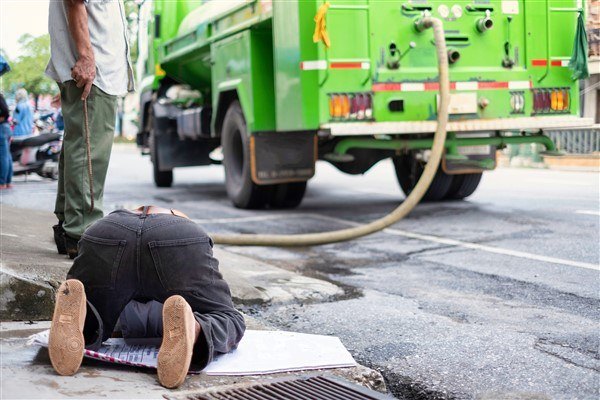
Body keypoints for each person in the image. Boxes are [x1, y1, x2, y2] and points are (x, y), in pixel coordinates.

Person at [48, 206, 245, 388]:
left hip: (105, 233)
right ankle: (195, 328)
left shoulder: (120, 216)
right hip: (177, 236)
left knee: (95, 310)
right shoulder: (179, 221)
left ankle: (81, 319)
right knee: (227, 317)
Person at [46, 0, 134, 258]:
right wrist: (85, 57)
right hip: (95, 73)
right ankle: (83, 233)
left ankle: (69, 227)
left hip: (94, 72)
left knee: (79, 145)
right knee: (89, 150)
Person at [0, 93, 13, 189]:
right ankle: (7, 181)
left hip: (2, 128)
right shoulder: (1, 96)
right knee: (7, 156)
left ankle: (2, 182)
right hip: (6, 127)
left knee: (3, 156)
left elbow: (4, 111)